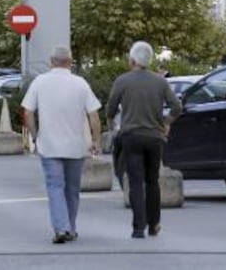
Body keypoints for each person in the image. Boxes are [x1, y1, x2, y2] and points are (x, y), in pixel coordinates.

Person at [21, 45, 101, 244]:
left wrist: (35, 135)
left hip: (49, 145)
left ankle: (61, 228)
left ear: (51, 61)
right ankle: (70, 227)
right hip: (75, 146)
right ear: (70, 62)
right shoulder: (80, 83)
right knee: (72, 190)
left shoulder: (40, 82)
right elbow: (93, 114)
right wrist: (96, 140)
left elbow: (28, 112)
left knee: (55, 187)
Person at [106, 41, 181, 239]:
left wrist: (111, 124)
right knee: (152, 181)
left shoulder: (122, 81)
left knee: (136, 182)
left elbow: (111, 108)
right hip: (154, 137)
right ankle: (154, 224)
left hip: (131, 136)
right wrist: (166, 122)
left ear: (132, 60)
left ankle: (138, 228)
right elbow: (176, 106)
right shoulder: (160, 81)